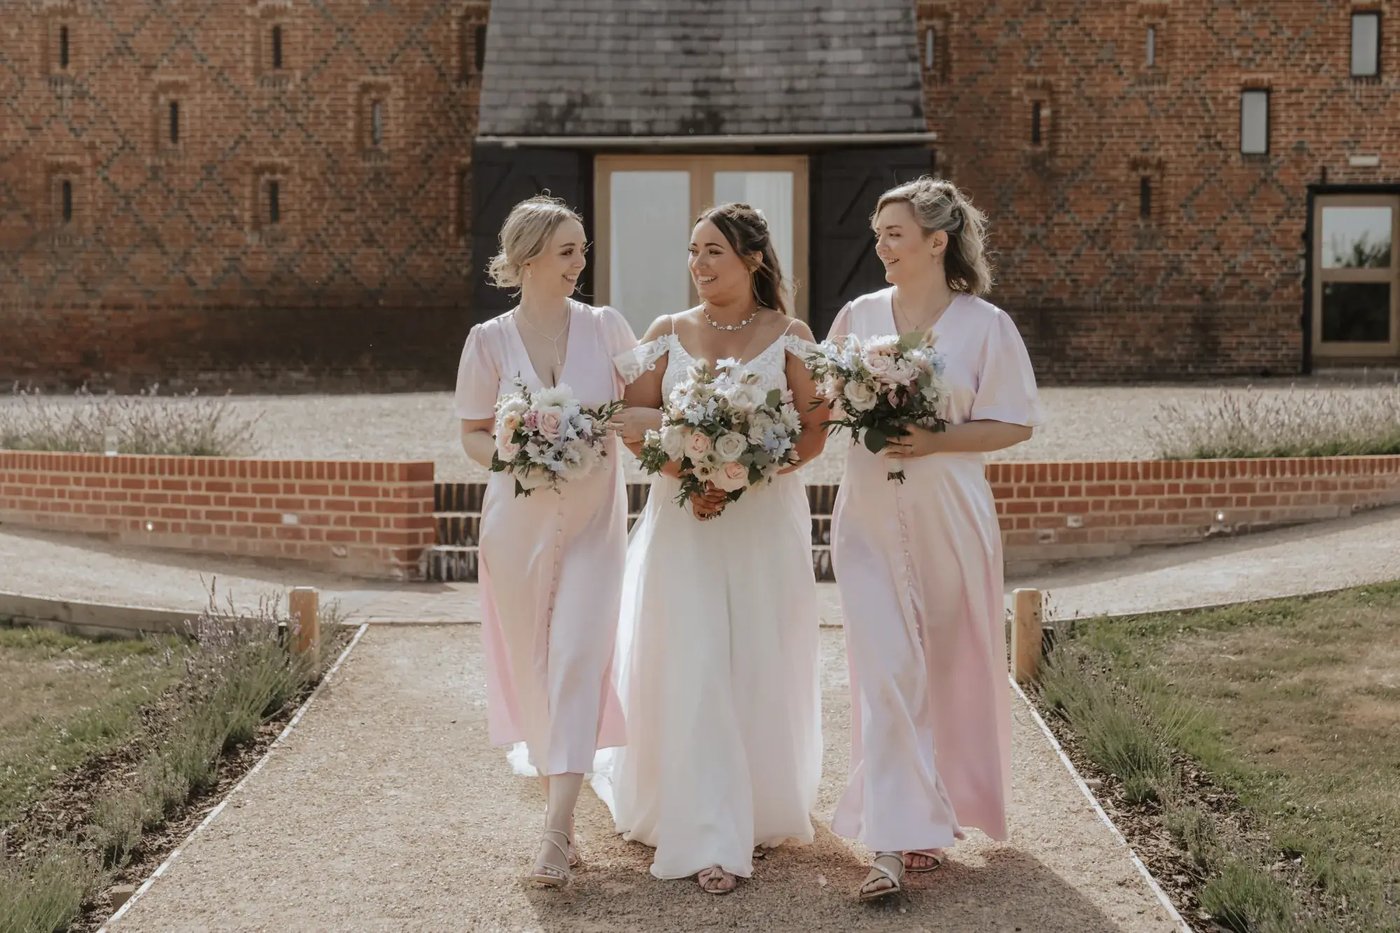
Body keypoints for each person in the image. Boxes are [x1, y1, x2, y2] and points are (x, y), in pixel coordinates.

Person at [597, 203, 826, 895]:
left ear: (753, 259)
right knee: (692, 657)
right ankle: (703, 825)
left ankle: (751, 804)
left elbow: (813, 432)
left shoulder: (792, 335)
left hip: (761, 522)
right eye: (693, 251)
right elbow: (630, 421)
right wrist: (687, 472)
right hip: (683, 523)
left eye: (714, 251)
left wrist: (742, 472)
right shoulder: (665, 333)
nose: (698, 264)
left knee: (757, 655)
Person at [826, 177, 1043, 901]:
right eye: (878, 232)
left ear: (936, 241)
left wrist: (936, 436)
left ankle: (930, 814)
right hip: (865, 518)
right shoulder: (856, 316)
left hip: (950, 515)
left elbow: (1014, 422)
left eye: (894, 233)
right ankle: (887, 844)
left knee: (945, 668)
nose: (881, 244)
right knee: (886, 669)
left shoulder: (986, 326)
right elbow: (826, 403)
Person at [453, 194, 637, 888]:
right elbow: (472, 431)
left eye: (583, 249)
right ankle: (560, 810)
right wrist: (515, 449)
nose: (580, 262)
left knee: (579, 654)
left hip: (594, 525)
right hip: (516, 529)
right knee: (536, 665)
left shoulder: (607, 327)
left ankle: (556, 832)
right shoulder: (487, 340)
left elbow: (646, 401)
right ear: (528, 258)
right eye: (568, 250)